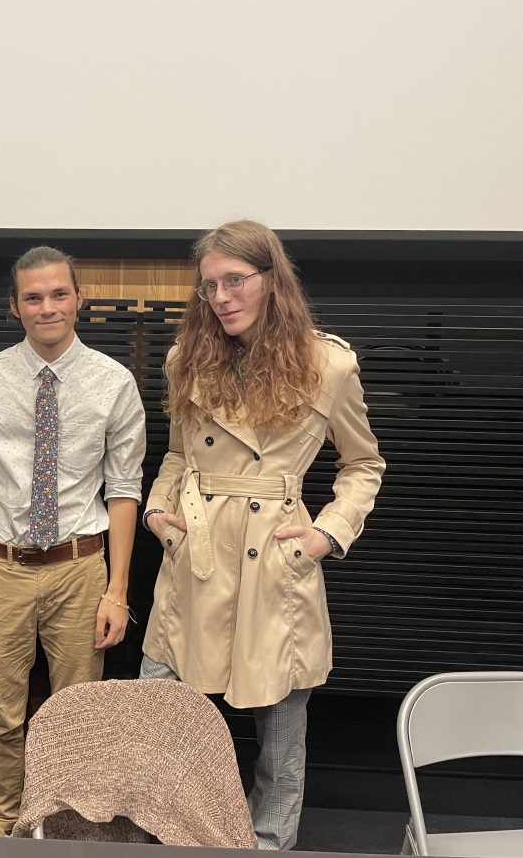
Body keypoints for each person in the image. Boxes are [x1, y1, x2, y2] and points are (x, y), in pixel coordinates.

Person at [139, 220, 385, 850]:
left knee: (281, 725)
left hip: (274, 555)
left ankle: (271, 843)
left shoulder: (327, 364)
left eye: (235, 281)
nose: (221, 297)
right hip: (195, 549)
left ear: (272, 280)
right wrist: (157, 514)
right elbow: (176, 456)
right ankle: (170, 835)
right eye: (209, 286)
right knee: (162, 713)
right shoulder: (184, 358)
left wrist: (325, 536)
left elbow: (363, 464)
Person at [0, 246, 147, 837]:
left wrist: (117, 589)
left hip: (79, 568)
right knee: (1, 713)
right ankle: (5, 819)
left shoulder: (114, 382)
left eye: (59, 294)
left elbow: (124, 490)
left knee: (78, 716)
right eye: (33, 297)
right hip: (1, 567)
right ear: (15, 306)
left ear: (79, 299)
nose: (47, 306)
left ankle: (62, 827)